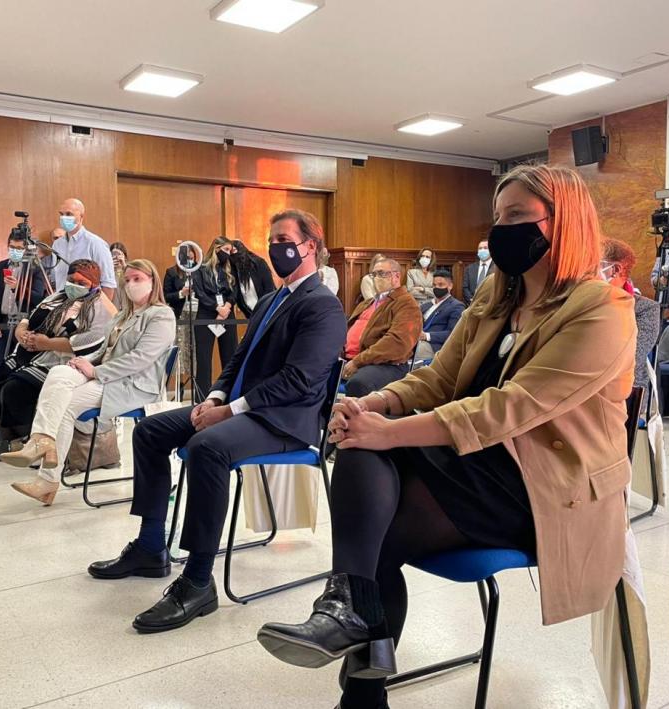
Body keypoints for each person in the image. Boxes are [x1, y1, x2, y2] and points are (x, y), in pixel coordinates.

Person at [257, 165, 638, 709]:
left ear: (566, 223)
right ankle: (354, 614)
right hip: (474, 462)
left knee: (376, 523)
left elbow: (509, 409)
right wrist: (376, 404)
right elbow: (438, 377)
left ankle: (357, 659)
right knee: (366, 468)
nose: (500, 231)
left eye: (517, 218)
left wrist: (389, 432)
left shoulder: (602, 310)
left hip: (543, 489)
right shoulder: (496, 296)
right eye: (497, 218)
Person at [87, 209, 346, 635]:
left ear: (310, 246)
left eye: (284, 239)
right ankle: (152, 546)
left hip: (284, 420)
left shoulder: (322, 306)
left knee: (209, 448)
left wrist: (230, 411)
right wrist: (213, 398)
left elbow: (299, 379)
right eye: (271, 238)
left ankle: (197, 581)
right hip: (241, 408)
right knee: (152, 431)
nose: (274, 247)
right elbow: (238, 360)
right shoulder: (270, 300)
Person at [2, 259, 176, 505]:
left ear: (152, 281)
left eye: (138, 279)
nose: (131, 285)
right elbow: (104, 349)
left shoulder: (161, 315)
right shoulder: (123, 316)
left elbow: (140, 359)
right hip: (105, 374)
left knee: (66, 404)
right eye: (127, 280)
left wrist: (95, 371)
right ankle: (42, 441)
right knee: (60, 373)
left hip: (132, 384)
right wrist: (82, 361)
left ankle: (47, 479)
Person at [0, 260, 116, 460]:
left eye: (81, 282)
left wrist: (47, 343)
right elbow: (29, 318)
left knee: (14, 389)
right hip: (28, 351)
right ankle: (9, 439)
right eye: (71, 280)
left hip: (59, 360)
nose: (74, 285)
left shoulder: (100, 307)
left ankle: (30, 441)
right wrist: (22, 333)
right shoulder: (57, 296)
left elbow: (91, 342)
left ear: (93, 283)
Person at [342, 258, 421, 397]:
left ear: (396, 276)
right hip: (350, 358)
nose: (376, 278)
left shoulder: (406, 303)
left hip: (385, 364)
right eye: (374, 275)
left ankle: (355, 418)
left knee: (358, 383)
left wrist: (358, 361)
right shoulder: (368, 302)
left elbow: (396, 343)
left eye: (381, 274)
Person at [601, 238, 659, 389]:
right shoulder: (580, 300)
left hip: (625, 390)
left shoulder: (645, 309)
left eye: (594, 264)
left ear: (615, 270)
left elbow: (631, 358)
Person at [0, 233, 48, 364]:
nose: (15, 251)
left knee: (18, 364)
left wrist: (18, 287)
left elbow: (38, 298)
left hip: (24, 325)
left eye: (19, 248)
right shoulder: (1, 266)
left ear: (26, 249)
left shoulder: (35, 268)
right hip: (3, 323)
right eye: (12, 247)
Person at [191, 236, 238, 402]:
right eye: (226, 250)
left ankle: (230, 396)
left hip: (227, 313)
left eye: (230, 251)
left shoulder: (230, 269)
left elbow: (235, 291)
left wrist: (226, 307)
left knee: (230, 356)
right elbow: (199, 292)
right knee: (204, 360)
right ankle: (202, 398)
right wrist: (216, 308)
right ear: (216, 249)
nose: (228, 254)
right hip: (206, 314)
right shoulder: (201, 269)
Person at [54, 198, 117, 301]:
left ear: (81, 216)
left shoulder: (96, 244)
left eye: (69, 214)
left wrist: (101, 313)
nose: (64, 217)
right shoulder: (57, 245)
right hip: (62, 306)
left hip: (88, 307)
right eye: (61, 214)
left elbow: (108, 284)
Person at [415, 269, 465, 362]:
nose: (436, 287)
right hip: (415, 340)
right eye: (434, 285)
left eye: (441, 285)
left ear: (450, 286)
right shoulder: (426, 305)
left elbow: (453, 334)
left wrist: (426, 336)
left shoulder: (456, 306)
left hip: (434, 346)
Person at [230, 239, 275, 317]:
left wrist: (266, 311)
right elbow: (239, 297)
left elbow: (269, 289)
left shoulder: (259, 263)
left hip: (268, 311)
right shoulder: (234, 270)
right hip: (251, 315)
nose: (232, 254)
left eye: (233, 250)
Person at [462, 238, 494, 304]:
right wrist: (472, 301)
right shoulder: (470, 268)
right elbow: (465, 287)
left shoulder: (497, 268)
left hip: (490, 305)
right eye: (480, 248)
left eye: (485, 248)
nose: (482, 250)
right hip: (471, 305)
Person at [110, 241, 129, 310]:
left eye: (119, 254)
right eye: (113, 254)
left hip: (127, 307)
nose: (116, 257)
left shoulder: (130, 270)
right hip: (113, 307)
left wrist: (124, 266)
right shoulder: (107, 272)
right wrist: (109, 268)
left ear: (125, 257)